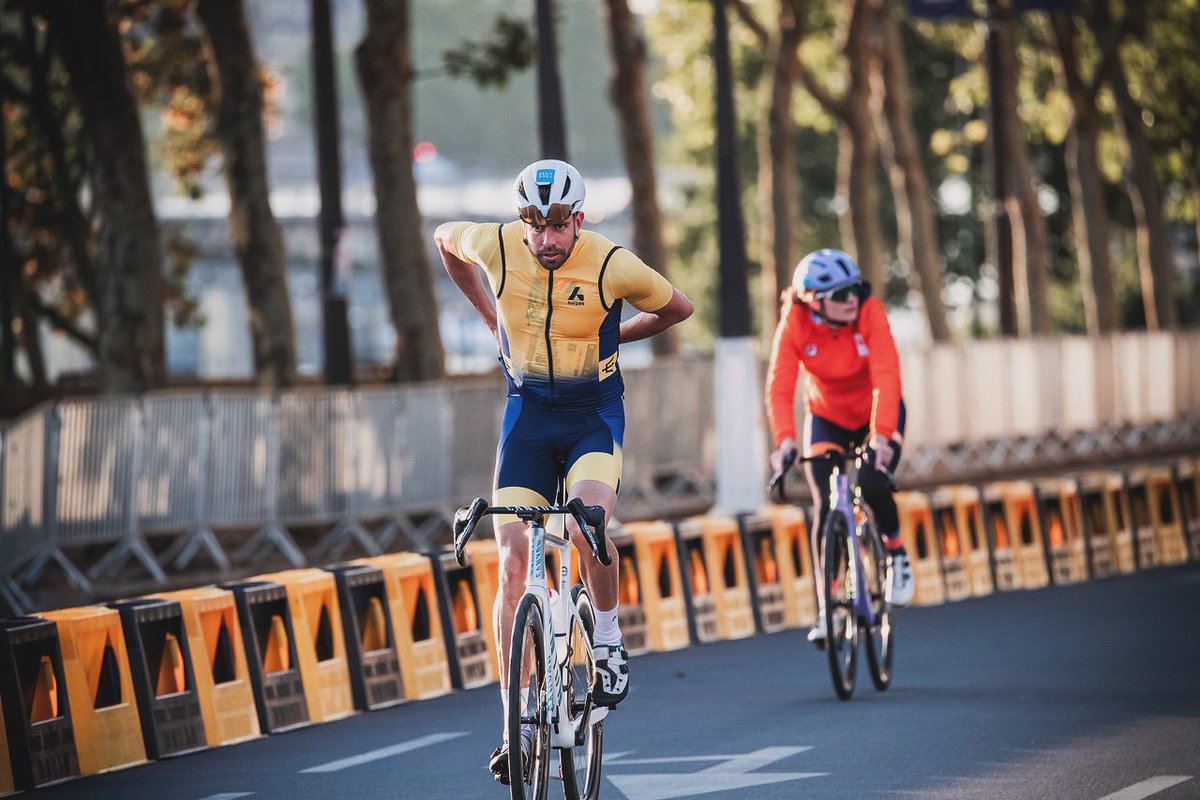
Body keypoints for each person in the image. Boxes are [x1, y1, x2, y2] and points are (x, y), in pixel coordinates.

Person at [434, 158, 693, 784]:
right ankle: (512, 723)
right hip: (526, 417)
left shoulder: (610, 263)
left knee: (587, 527)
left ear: (578, 219)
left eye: (558, 226)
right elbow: (444, 237)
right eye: (535, 226)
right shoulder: (496, 244)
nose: (546, 240)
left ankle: (606, 639)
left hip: (591, 418)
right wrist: (490, 317)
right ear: (521, 221)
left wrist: (617, 337)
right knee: (513, 559)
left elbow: (678, 308)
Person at [764, 248, 914, 646]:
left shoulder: (869, 311)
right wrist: (785, 442)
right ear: (814, 300)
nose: (853, 298)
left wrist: (881, 435)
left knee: (872, 481)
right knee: (825, 507)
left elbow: (886, 373)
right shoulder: (795, 321)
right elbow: (780, 385)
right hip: (827, 415)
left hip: (876, 412)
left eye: (855, 289)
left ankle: (897, 555)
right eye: (841, 293)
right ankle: (826, 606)